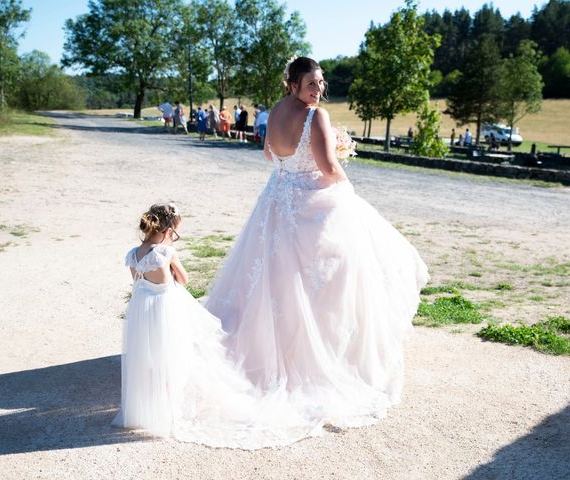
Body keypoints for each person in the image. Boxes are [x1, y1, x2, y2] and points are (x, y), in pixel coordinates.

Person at [205, 57, 429, 431]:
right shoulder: (316, 116)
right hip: (310, 205)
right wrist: (344, 177)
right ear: (292, 83)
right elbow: (327, 168)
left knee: (276, 281)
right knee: (329, 278)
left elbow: (269, 154)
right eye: (312, 83)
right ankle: (321, 358)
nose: (318, 89)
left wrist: (301, 160)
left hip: (277, 201)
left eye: (321, 83)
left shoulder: (274, 111)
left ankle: (273, 352)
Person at [113, 203, 320, 448]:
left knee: (148, 356)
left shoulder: (133, 254)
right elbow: (183, 279)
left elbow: (137, 282)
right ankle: (169, 410)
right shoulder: (166, 253)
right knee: (172, 356)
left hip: (141, 309)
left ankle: (146, 409)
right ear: (168, 230)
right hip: (165, 306)